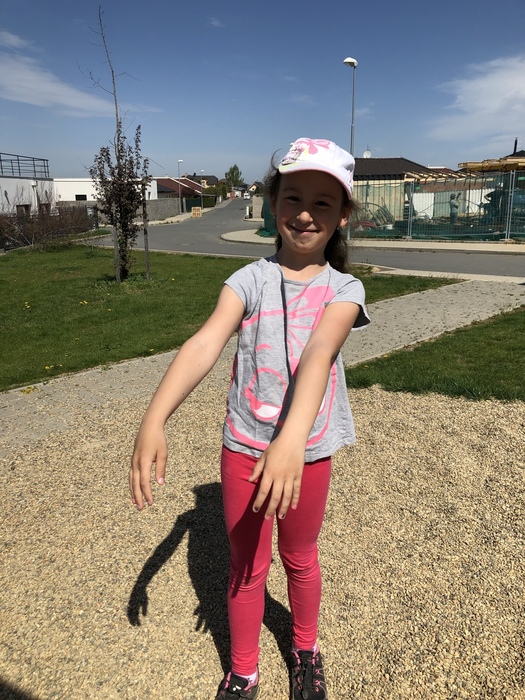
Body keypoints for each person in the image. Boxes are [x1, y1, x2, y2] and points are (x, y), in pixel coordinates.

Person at [129, 137, 370, 700]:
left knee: (299, 559)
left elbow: (318, 354)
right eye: (293, 198)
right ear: (272, 202)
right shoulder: (247, 280)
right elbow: (204, 342)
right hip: (243, 447)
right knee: (246, 566)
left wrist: (291, 441)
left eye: (323, 203)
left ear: (342, 216)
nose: (305, 213)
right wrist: (154, 418)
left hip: (306, 452)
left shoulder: (345, 289)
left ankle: (305, 650)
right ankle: (243, 671)